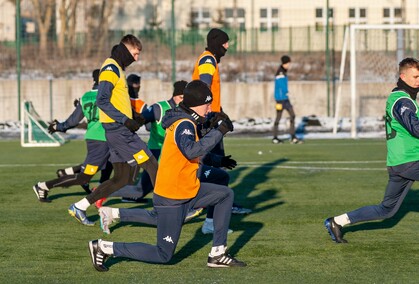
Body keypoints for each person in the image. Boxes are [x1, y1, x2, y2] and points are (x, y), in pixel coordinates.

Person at [88, 80, 246, 271]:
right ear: (197, 104)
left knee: (225, 194)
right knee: (163, 254)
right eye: (208, 103)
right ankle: (105, 247)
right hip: (173, 195)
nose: (210, 107)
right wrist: (218, 132)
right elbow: (191, 151)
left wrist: (211, 136)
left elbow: (192, 149)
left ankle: (218, 254)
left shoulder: (187, 120)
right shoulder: (184, 123)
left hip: (186, 189)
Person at [324, 57, 419, 243]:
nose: (418, 80)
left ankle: (336, 221)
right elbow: (415, 128)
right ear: (403, 76)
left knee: (386, 210)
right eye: (415, 77)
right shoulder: (402, 102)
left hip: (399, 163)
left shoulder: (406, 99)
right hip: (409, 161)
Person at [68, 34, 158, 226]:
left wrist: (134, 119)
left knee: (122, 178)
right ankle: (168, 209)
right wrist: (126, 121)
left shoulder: (116, 68)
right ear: (126, 50)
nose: (136, 58)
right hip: (119, 131)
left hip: (118, 130)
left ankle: (80, 206)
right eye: (135, 53)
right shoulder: (110, 68)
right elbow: (102, 101)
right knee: (151, 164)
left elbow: (117, 102)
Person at [32, 69, 112, 202]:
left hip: (97, 138)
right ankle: (44, 186)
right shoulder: (108, 95)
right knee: (84, 177)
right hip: (101, 140)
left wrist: (59, 126)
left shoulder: (85, 97)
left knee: (112, 164)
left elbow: (73, 121)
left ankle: (99, 193)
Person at [192, 28, 230, 156]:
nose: (227, 46)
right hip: (206, 117)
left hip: (210, 113)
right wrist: (209, 112)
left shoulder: (210, 59)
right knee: (212, 161)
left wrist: (219, 110)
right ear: (217, 43)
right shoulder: (208, 60)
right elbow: (204, 87)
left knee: (217, 160)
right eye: (225, 43)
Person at [272, 55, 302, 144]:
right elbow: (281, 85)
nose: (289, 65)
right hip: (280, 99)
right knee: (278, 117)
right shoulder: (280, 72)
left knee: (292, 115)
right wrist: (287, 92)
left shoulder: (283, 71)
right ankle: (275, 137)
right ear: (284, 63)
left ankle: (292, 136)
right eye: (288, 63)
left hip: (285, 98)